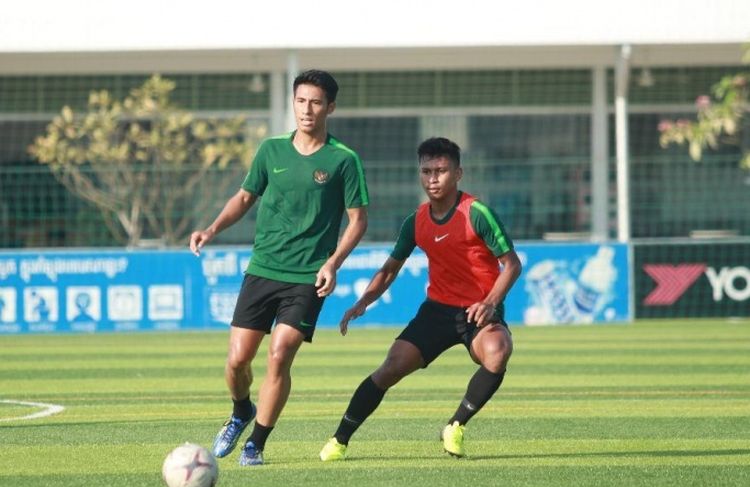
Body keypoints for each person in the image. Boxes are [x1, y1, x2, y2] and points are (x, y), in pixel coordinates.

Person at [189, 69, 369, 466]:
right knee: (237, 360)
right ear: (293, 102)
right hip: (263, 268)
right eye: (301, 100)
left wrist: (333, 263)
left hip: (307, 276)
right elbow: (244, 196)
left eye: (316, 102)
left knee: (279, 353)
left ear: (330, 107)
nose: (307, 109)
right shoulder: (271, 150)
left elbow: (358, 221)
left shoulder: (343, 159)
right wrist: (212, 229)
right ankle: (240, 411)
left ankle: (257, 443)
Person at [319, 137, 521, 461]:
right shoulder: (417, 221)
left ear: (458, 174)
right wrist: (362, 302)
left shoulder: (477, 213)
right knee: (390, 368)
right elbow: (388, 270)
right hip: (437, 311)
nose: (433, 179)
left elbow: (512, 264)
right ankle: (339, 440)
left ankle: (455, 425)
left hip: (478, 310)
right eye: (426, 171)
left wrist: (490, 302)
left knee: (498, 352)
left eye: (441, 171)